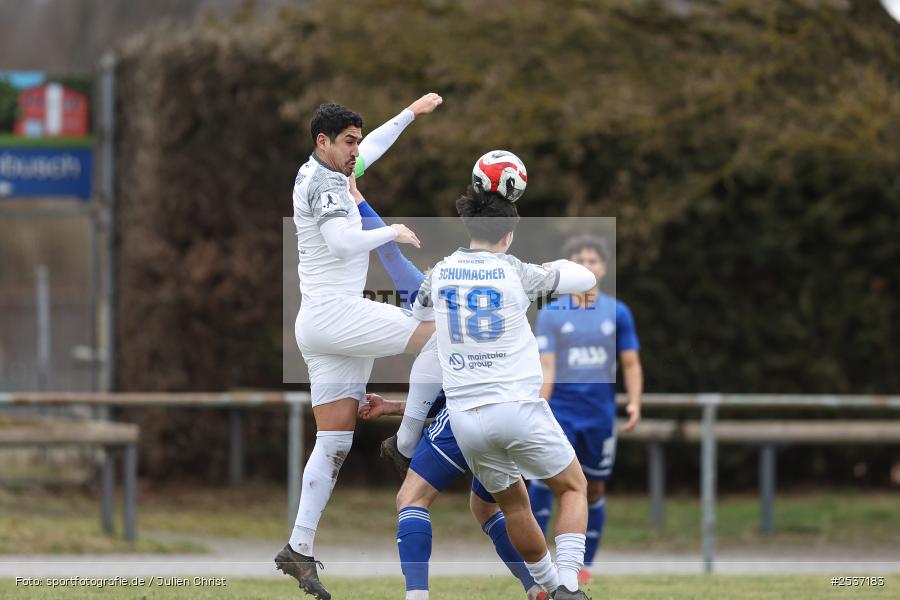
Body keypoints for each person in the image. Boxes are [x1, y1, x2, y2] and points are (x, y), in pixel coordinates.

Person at [275, 94, 444, 600]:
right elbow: (344, 243)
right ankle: (408, 441)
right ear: (322, 141)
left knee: (334, 441)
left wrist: (410, 114)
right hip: (338, 314)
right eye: (347, 142)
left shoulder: (323, 167)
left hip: (321, 324)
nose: (356, 153)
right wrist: (390, 230)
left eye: (355, 141)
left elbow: (373, 145)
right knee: (438, 337)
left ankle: (299, 547)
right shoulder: (326, 182)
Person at [351, 189, 547, 600]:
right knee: (493, 508)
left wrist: (359, 200)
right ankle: (540, 587)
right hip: (512, 411)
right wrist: (396, 406)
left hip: (467, 414)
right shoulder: (504, 291)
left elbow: (390, 257)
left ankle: (417, 597)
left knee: (411, 498)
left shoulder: (434, 288)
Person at [411, 185, 597, 600]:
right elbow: (587, 277)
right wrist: (554, 265)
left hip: (464, 419)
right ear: (508, 234)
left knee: (513, 507)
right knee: (573, 487)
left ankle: (548, 588)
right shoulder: (516, 270)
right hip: (515, 406)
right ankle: (567, 584)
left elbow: (419, 314)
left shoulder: (439, 272)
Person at [528, 235, 643, 585]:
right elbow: (546, 368)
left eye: (594, 260)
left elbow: (631, 362)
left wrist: (635, 401)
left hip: (599, 416)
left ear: (604, 268)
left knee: (593, 488)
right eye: (580, 261)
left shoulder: (618, 312)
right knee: (544, 482)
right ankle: (540, 557)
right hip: (560, 413)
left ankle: (584, 564)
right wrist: (537, 406)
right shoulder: (552, 312)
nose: (588, 266)